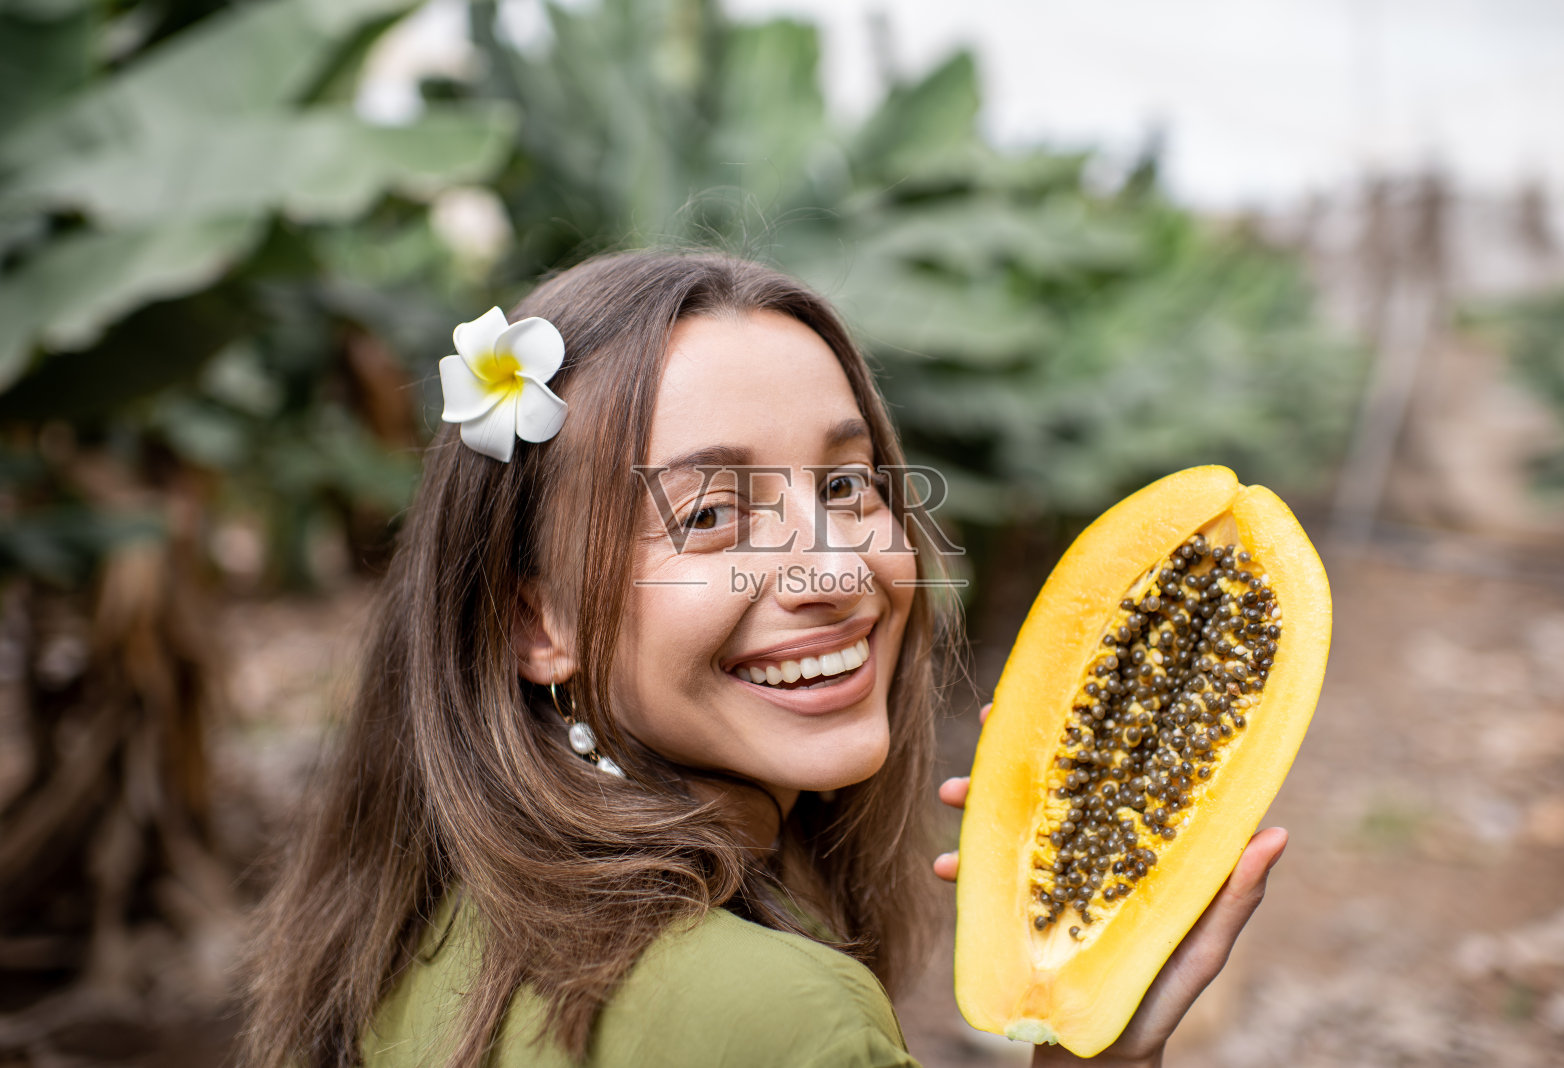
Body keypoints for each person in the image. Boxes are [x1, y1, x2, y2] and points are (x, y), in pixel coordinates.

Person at [238, 250, 1287, 1067]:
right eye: (711, 516)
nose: (832, 571)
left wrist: (1091, 1033)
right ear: (533, 623)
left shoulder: (411, 927)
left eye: (846, 486)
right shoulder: (776, 1017)